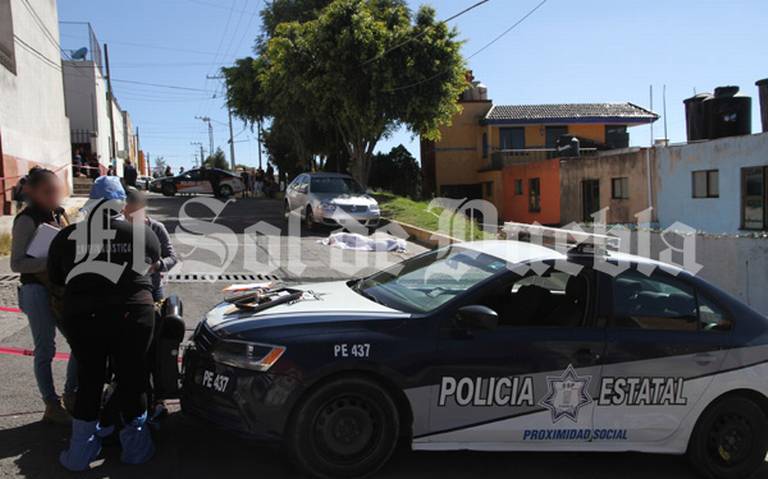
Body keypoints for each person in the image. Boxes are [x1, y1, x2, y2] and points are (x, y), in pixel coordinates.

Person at [50, 176, 161, 471]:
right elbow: (151, 269)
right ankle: (135, 448)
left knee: (89, 378)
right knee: (132, 376)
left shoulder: (66, 237)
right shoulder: (143, 234)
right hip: (133, 315)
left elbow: (57, 278)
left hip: (84, 316)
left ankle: (79, 453)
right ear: (120, 204)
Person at [10, 167, 78, 425]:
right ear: (33, 192)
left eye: (56, 190)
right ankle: (51, 403)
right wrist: (50, 261)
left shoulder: (60, 215)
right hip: (35, 290)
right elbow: (16, 264)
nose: (54, 195)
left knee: (78, 343)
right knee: (45, 348)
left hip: (60, 289)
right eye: (47, 191)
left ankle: (71, 394)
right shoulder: (26, 220)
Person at [123, 187, 177, 301]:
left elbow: (172, 258)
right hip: (127, 288)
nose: (131, 218)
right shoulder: (121, 229)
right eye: (127, 214)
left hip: (153, 288)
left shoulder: (157, 228)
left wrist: (156, 266)